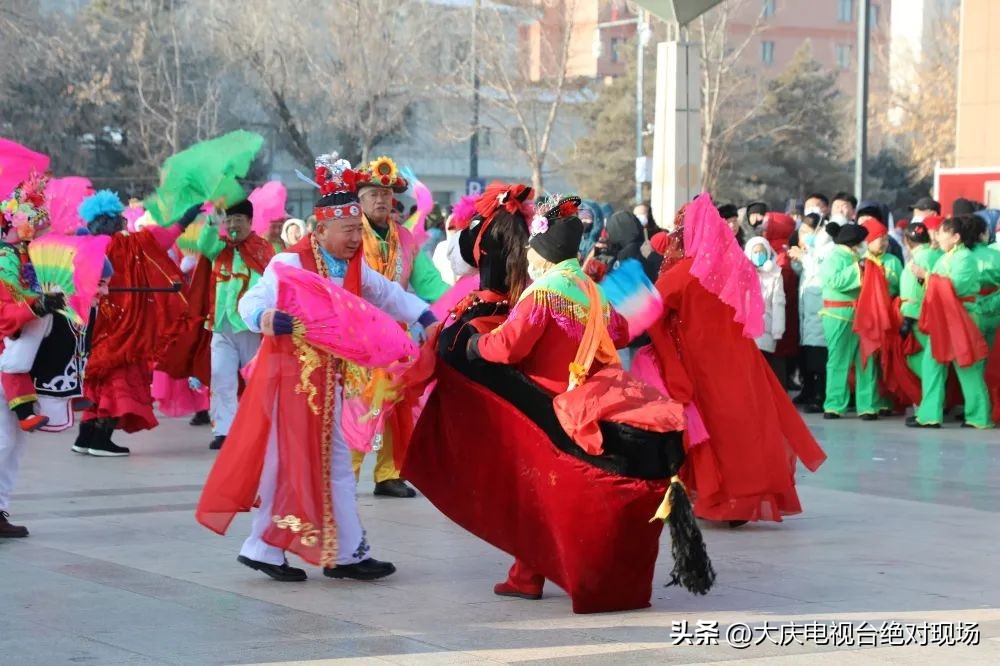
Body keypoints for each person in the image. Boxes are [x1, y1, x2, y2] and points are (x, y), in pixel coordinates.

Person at [196, 158, 436, 582]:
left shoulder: (356, 266)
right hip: (292, 382)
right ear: (320, 230)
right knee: (288, 465)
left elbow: (388, 294)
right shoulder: (290, 263)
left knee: (335, 467)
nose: (355, 239)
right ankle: (269, 548)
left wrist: (426, 317)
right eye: (348, 231)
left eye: (357, 230)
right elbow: (251, 302)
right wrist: (266, 318)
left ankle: (342, 553)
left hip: (331, 382)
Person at [645, 195, 826, 525]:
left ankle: (715, 496)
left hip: (701, 363)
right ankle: (741, 496)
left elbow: (651, 309)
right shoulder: (734, 267)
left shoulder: (685, 272)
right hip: (740, 360)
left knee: (710, 429)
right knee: (740, 428)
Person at [350, 155, 448, 497]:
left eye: (385, 194)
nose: (380, 200)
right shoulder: (351, 234)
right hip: (358, 336)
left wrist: (461, 299)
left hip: (397, 337)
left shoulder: (405, 239)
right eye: (372, 194)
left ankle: (389, 473)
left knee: (397, 405)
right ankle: (346, 474)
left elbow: (428, 282)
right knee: (361, 404)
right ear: (360, 200)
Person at [73, 191, 190, 456]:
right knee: (117, 379)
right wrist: (184, 220)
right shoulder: (127, 244)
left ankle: (84, 438)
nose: (122, 221)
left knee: (98, 379)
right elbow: (160, 239)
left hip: (96, 323)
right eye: (117, 217)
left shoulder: (85, 247)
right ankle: (101, 440)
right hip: (124, 326)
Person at [1, 262, 112, 537]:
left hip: (18, 378)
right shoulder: (13, 264)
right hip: (7, 374)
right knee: (4, 444)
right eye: (100, 283)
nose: (106, 292)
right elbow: (13, 352)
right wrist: (36, 307)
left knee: (12, 448)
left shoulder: (75, 305)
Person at [195, 199, 275, 450]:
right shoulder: (219, 248)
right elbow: (203, 244)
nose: (232, 225)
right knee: (221, 377)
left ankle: (261, 428)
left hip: (250, 328)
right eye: (228, 220)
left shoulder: (264, 250)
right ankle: (224, 431)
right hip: (221, 325)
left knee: (257, 380)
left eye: (238, 220)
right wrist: (213, 219)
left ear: (250, 222)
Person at [908, 216, 993, 429]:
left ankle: (978, 416)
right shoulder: (944, 257)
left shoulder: (965, 258)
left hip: (962, 317)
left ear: (955, 237)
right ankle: (929, 415)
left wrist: (926, 276)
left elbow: (954, 287)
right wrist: (925, 278)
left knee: (968, 367)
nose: (937, 237)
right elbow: (937, 286)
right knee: (931, 365)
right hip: (943, 318)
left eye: (942, 234)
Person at [853, 218, 903, 419]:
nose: (883, 242)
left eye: (885, 238)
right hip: (867, 315)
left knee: (887, 359)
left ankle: (886, 401)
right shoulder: (860, 261)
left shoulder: (893, 261)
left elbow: (901, 287)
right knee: (867, 358)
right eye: (878, 238)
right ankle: (867, 405)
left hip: (889, 315)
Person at [818, 224, 867, 419]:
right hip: (837, 314)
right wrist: (858, 270)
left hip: (859, 313)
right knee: (838, 359)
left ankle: (867, 406)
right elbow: (834, 281)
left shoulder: (856, 257)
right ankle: (834, 405)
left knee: (864, 360)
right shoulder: (834, 258)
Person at [788, 214, 828, 412]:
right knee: (808, 355)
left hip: (820, 312)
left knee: (819, 359)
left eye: (806, 232)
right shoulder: (810, 251)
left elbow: (819, 272)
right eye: (801, 232)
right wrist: (798, 260)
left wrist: (804, 257)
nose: (802, 236)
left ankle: (820, 396)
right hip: (808, 313)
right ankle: (809, 390)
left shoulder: (825, 250)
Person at [764, 212, 801, 390]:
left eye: (768, 224)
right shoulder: (778, 248)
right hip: (783, 309)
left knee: (777, 352)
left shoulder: (779, 252)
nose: (764, 228)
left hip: (778, 310)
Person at [744, 238, 786, 372]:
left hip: (765, 331)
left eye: (761, 252)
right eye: (755, 252)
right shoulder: (742, 275)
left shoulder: (775, 276)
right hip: (745, 333)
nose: (758, 255)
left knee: (761, 370)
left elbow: (778, 305)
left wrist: (777, 331)